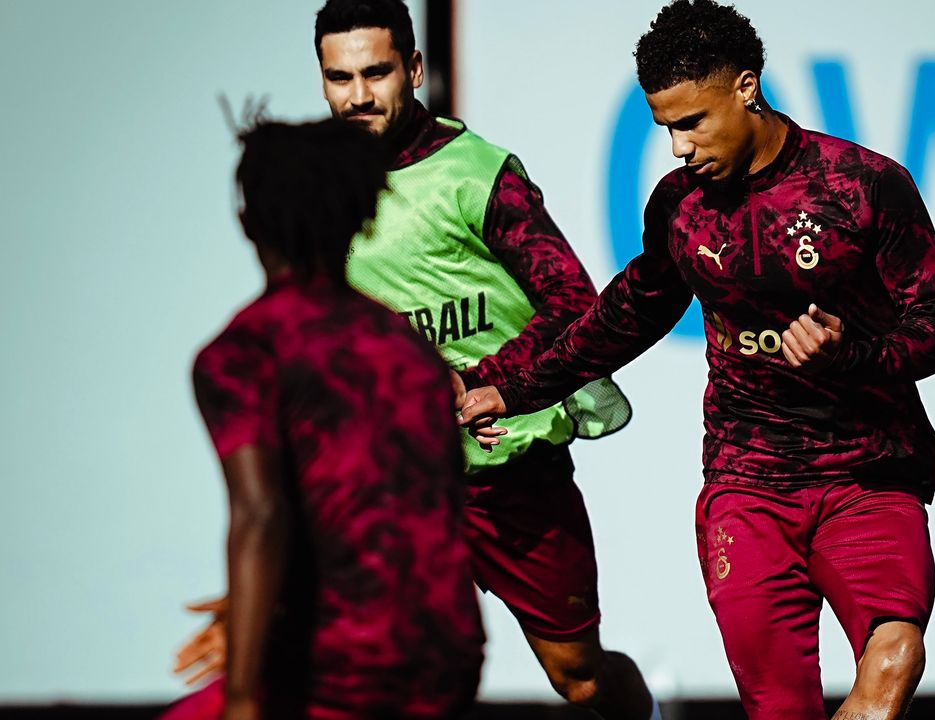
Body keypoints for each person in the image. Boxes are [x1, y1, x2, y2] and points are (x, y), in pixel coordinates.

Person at [459, 1, 935, 718]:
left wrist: (848, 355)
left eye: (692, 122)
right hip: (746, 483)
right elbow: (624, 315)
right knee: (780, 710)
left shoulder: (863, 185)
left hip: (867, 473)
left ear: (746, 88)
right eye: (666, 127)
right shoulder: (679, 206)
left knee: (894, 661)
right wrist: (512, 389)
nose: (678, 147)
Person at [177, 2, 657, 718]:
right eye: (339, 78)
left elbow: (573, 304)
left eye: (375, 73)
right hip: (389, 484)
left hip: (508, 468)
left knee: (580, 677)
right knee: (371, 660)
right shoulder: (321, 184)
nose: (358, 95)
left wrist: (484, 381)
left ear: (415, 69)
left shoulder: (476, 173)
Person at [190, 117, 483, 720]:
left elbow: (261, 515)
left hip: (341, 661)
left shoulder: (245, 351)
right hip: (449, 649)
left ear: (248, 223)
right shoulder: (410, 350)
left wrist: (241, 696)